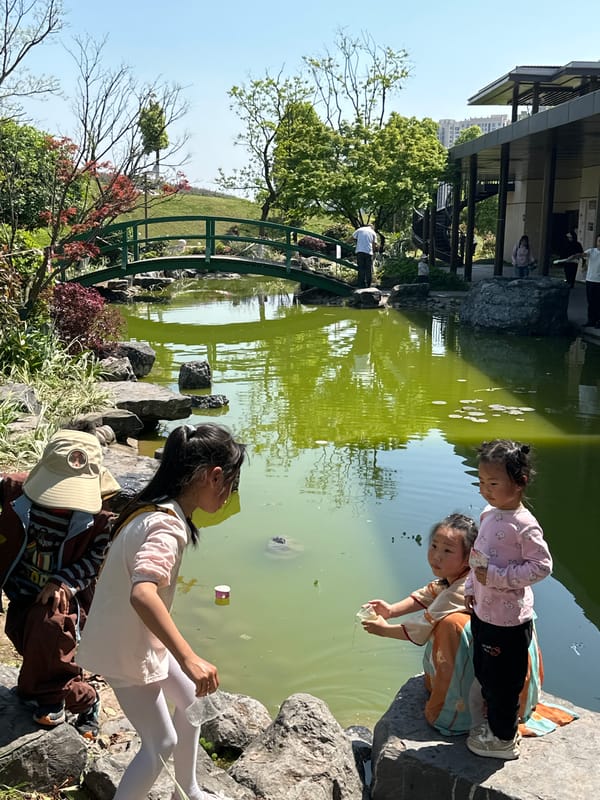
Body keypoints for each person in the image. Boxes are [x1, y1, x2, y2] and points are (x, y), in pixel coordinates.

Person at [77, 423, 246, 800]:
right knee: (160, 744)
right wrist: (188, 657)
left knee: (191, 702)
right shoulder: (166, 526)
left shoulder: (154, 508)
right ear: (214, 476)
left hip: (136, 637)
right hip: (125, 649)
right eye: (232, 483)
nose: (231, 494)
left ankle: (187, 790)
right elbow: (143, 594)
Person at [0, 428, 120, 738]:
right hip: (22, 590)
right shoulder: (14, 491)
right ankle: (77, 695)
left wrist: (63, 582)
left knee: (51, 628)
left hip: (66, 598)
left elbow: (93, 561)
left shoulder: (99, 519)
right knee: (28, 641)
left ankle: (62, 698)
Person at [464, 439, 552, 761]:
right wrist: (472, 587)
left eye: (494, 483)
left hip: (509, 620)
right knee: (485, 672)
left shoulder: (524, 524)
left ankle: (503, 739)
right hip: (484, 612)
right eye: (482, 482)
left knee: (504, 682)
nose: (485, 490)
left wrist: (499, 578)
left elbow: (542, 566)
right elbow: (479, 558)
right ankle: (495, 726)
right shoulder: (490, 513)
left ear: (519, 482)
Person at [361, 513, 481, 734]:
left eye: (447, 551)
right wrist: (391, 610)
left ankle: (456, 711)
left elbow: (424, 623)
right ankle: (445, 686)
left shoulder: (466, 586)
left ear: (468, 559)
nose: (436, 556)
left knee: (450, 625)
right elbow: (427, 594)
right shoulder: (455, 578)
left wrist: (385, 631)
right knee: (446, 622)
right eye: (434, 546)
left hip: (491, 657)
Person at [581, 233, 600, 327]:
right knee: (591, 302)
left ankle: (598, 321)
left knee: (598, 302)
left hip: (599, 281)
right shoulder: (592, 251)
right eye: (599, 241)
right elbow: (583, 255)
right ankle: (591, 320)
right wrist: (575, 256)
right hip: (590, 280)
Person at [352, 223, 378, 288]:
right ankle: (368, 285)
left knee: (361, 268)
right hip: (368, 252)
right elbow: (374, 244)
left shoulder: (359, 230)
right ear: (372, 227)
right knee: (368, 269)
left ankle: (361, 285)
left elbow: (352, 237)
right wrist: (373, 251)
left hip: (359, 251)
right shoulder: (373, 232)